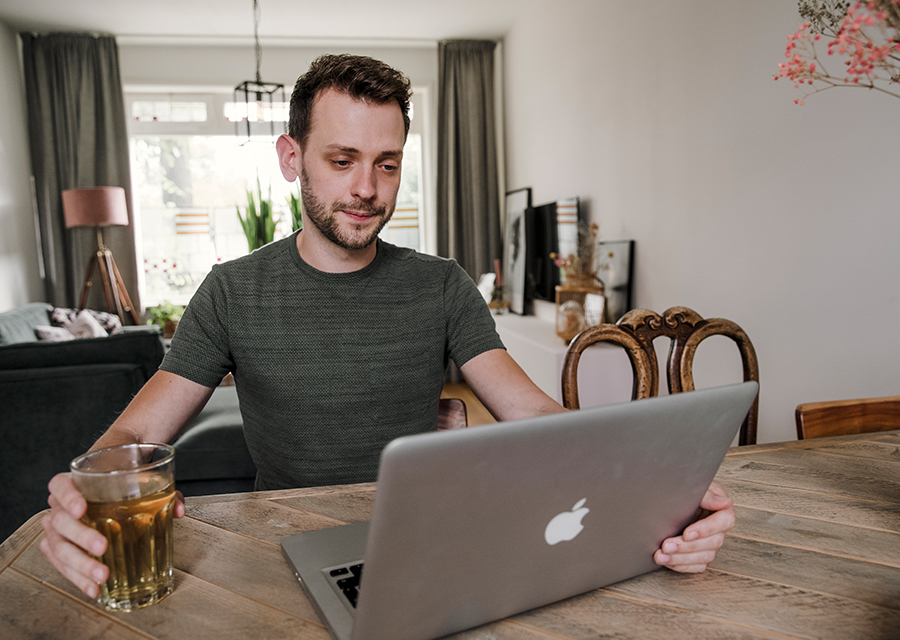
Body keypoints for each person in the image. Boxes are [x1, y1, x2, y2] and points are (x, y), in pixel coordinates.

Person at [41, 54, 736, 599]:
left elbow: (533, 414)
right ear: (292, 158)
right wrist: (84, 491)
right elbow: (134, 436)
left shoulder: (442, 285)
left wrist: (656, 490)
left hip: (424, 544)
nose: (367, 189)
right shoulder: (232, 291)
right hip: (283, 551)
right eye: (341, 161)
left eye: (387, 163)